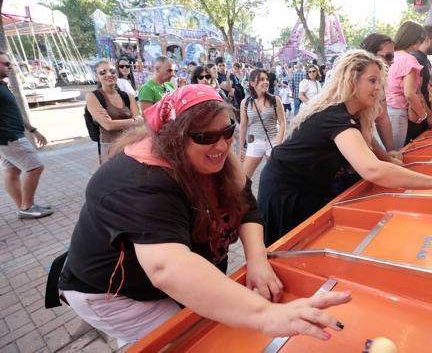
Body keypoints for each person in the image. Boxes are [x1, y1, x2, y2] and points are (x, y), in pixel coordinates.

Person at [55, 85, 351, 347]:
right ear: (172, 137)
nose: (221, 145)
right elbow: (167, 269)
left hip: (159, 284)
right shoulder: (139, 180)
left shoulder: (213, 155)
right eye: (205, 136)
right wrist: (266, 315)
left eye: (227, 131)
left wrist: (257, 260)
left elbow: (247, 206)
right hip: (114, 294)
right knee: (190, 339)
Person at [258, 50, 432, 246]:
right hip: (285, 193)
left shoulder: (352, 117)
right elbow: (372, 169)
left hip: (307, 188)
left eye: (380, 82)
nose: (378, 87)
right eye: (372, 80)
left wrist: (389, 159)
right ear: (352, 80)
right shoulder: (335, 116)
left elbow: (369, 147)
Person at [0, 52, 52, 219]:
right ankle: (27, 207)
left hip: (9, 137)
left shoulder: (2, 85)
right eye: (6, 64)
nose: (9, 67)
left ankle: (23, 206)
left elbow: (14, 113)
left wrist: (33, 130)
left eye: (10, 64)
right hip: (9, 137)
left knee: (12, 170)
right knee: (35, 167)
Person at [86, 60, 142, 163]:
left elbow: (139, 121)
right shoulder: (93, 97)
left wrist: (134, 121)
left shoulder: (127, 96)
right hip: (110, 148)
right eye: (103, 72)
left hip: (131, 145)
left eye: (112, 71)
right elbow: (108, 125)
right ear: (96, 77)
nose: (109, 74)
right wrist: (133, 121)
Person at [386, 21, 428, 150]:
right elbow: (409, 93)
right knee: (396, 152)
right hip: (398, 112)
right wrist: (423, 114)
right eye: (421, 40)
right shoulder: (409, 59)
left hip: (385, 110)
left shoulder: (391, 56)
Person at [358, 33, 399, 156]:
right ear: (369, 56)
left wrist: (391, 151)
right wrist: (387, 158)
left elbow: (382, 117)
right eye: (388, 56)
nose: (392, 62)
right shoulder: (352, 85)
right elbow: (359, 129)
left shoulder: (378, 84)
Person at [239, 70, 286, 178]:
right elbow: (243, 125)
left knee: (277, 177)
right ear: (252, 83)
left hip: (272, 141)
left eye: (266, 79)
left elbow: (282, 122)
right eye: (261, 79)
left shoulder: (275, 100)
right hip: (254, 141)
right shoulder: (245, 103)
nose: (266, 82)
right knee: (244, 178)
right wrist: (241, 148)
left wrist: (278, 143)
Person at [407, 25, 432, 143]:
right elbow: (416, 93)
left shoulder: (425, 59)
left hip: (423, 115)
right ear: (427, 39)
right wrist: (429, 116)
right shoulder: (416, 58)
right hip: (416, 118)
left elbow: (428, 92)